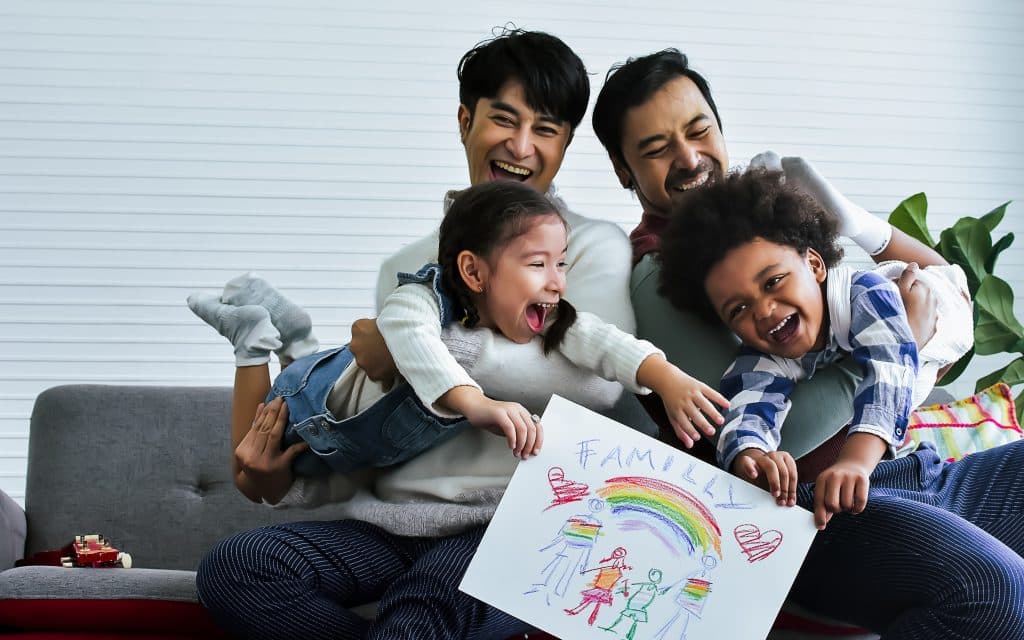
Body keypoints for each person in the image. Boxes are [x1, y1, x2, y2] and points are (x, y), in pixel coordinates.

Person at [195, 29, 649, 640]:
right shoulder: (404, 270)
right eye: (503, 119)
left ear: (566, 144)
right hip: (390, 524)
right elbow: (386, 422)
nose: (521, 146)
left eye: (546, 129)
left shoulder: (588, 247)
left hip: (511, 520)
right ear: (466, 120)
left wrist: (416, 355)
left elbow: (591, 386)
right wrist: (285, 480)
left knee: (425, 605)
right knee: (238, 568)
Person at [592, 49, 1024, 637]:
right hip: (814, 516)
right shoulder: (660, 277)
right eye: (656, 148)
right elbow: (769, 432)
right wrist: (906, 343)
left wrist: (879, 262)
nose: (689, 157)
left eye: (699, 131)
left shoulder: (769, 220)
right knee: (994, 591)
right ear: (623, 169)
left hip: (900, 475)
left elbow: (945, 288)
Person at [188, 181, 728, 491]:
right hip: (318, 405)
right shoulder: (423, 297)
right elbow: (409, 336)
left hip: (356, 410)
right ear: (473, 272)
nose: (558, 281)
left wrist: (668, 379)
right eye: (538, 264)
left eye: (561, 263)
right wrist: (476, 403)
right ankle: (255, 340)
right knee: (258, 449)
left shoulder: (550, 316)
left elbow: (607, 346)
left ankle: (293, 333)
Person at [659, 169, 973, 527]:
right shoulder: (763, 352)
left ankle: (855, 222)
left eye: (774, 281)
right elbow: (745, 405)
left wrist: (855, 461)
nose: (763, 310)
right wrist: (751, 454)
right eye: (738, 309)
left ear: (814, 264)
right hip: (861, 344)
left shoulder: (867, 295)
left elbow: (889, 373)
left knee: (950, 281)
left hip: (926, 302)